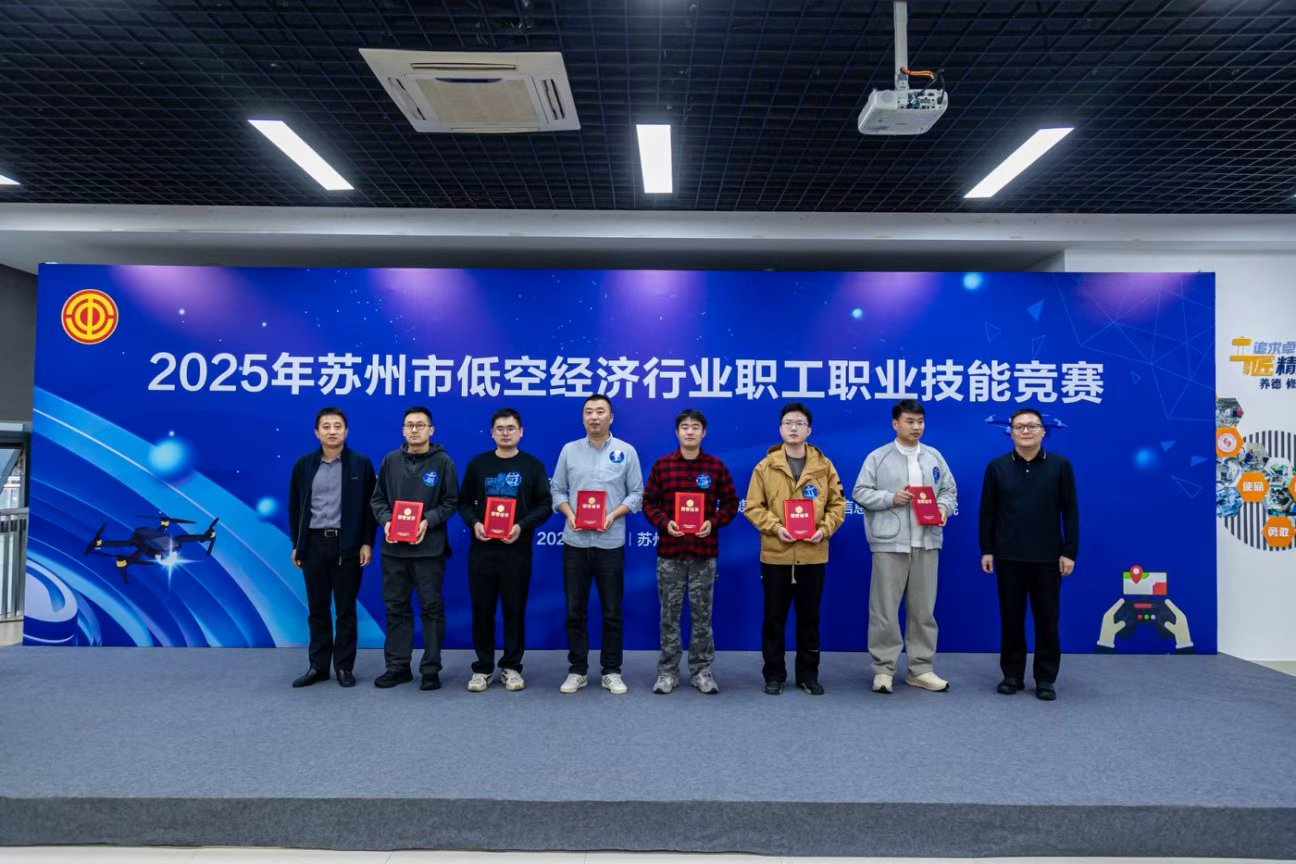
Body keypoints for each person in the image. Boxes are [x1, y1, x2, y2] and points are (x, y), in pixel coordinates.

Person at [852, 399, 958, 695]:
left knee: (923, 610)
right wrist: (890, 498)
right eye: (910, 421)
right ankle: (883, 669)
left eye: (920, 421)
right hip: (889, 544)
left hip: (927, 541)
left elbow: (949, 490)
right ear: (895, 424)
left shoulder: (934, 456)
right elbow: (860, 492)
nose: (916, 427)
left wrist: (943, 509)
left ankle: (920, 669)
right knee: (884, 610)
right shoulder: (878, 457)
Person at [744, 402, 847, 696]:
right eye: (788, 423)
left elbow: (838, 504)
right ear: (780, 429)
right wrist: (776, 528)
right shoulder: (765, 466)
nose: (793, 428)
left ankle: (808, 675)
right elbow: (753, 507)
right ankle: (774, 674)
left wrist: (824, 529)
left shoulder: (824, 466)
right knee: (774, 618)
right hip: (776, 554)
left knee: (809, 618)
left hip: (813, 555)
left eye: (799, 423)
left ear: (809, 430)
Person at [979, 406, 1079, 701]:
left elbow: (1070, 511)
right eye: (1019, 427)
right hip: (1008, 556)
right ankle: (1012, 675)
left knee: (1047, 620)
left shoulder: (1060, 465)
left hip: (1048, 557)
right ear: (1010, 432)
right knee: (1011, 618)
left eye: (1032, 426)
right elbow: (987, 513)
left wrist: (1069, 551)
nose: (1025, 431)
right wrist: (987, 549)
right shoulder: (997, 467)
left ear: (1043, 431)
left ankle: (1045, 678)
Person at [550, 394, 644, 695]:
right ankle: (577, 670)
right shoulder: (569, 450)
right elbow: (557, 490)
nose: (594, 417)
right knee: (574, 610)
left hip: (610, 543)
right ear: (583, 418)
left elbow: (637, 494)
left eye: (600, 411)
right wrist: (570, 514)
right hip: (575, 542)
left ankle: (611, 671)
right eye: (588, 412)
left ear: (611, 417)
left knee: (612, 611)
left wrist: (612, 515)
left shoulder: (626, 451)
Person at [641, 408, 739, 695]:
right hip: (670, 553)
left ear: (703, 432)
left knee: (702, 616)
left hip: (703, 554)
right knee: (669, 616)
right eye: (684, 427)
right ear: (677, 432)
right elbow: (648, 503)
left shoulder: (716, 467)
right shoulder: (662, 466)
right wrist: (665, 523)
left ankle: (701, 671)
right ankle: (667, 672)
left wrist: (713, 522)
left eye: (695, 427)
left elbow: (731, 503)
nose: (690, 431)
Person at [456, 407, 552, 692]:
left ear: (521, 432)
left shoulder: (532, 465)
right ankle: (483, 668)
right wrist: (474, 523)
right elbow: (463, 502)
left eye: (511, 428)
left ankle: (511, 667)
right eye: (500, 428)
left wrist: (521, 526)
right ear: (492, 433)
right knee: (482, 611)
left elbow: (545, 506)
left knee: (514, 610)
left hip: (516, 551)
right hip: (482, 550)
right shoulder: (478, 464)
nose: (505, 433)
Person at [370, 406, 459, 691]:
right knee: (396, 608)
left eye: (420, 425)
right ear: (403, 430)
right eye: (409, 425)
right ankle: (398, 667)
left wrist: (427, 521)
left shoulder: (444, 462)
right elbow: (377, 500)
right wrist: (386, 521)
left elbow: (451, 501)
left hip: (429, 551)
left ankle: (431, 669)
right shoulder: (390, 460)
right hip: (394, 551)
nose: (414, 429)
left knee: (431, 609)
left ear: (431, 430)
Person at [287, 406, 376, 688]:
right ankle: (318, 666)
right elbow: (295, 507)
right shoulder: (304, 465)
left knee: (346, 610)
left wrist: (367, 542)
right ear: (317, 432)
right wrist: (297, 543)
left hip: (346, 545)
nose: (332, 431)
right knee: (317, 609)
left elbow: (370, 508)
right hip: (313, 544)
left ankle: (344, 667)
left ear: (346, 431)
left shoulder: (361, 464)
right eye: (326, 426)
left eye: (337, 426)